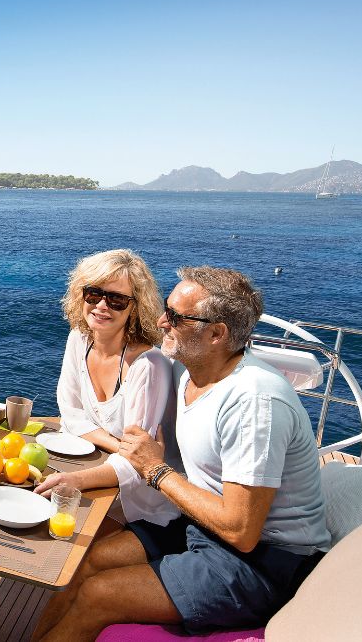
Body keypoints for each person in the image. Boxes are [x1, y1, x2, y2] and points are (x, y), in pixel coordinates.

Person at [34, 266, 330, 641]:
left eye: (176, 317)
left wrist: (156, 470)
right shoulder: (191, 371)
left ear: (216, 334)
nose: (161, 321)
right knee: (89, 560)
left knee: (99, 593)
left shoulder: (254, 402)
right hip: (201, 527)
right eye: (166, 309)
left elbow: (241, 531)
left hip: (267, 562)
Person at [36, 250, 179, 528]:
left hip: (140, 501)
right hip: (98, 468)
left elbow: (139, 463)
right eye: (93, 294)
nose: (102, 305)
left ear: (135, 307)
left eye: (116, 300)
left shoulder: (148, 366)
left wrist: (77, 479)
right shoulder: (79, 339)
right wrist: (120, 446)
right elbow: (71, 415)